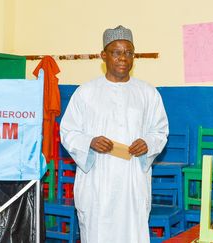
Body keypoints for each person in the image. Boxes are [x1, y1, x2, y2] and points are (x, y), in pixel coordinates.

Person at [60, 25, 169, 243]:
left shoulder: (148, 93)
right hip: (98, 181)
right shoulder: (86, 92)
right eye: (116, 52)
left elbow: (160, 130)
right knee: (98, 232)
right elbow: (68, 131)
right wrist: (89, 141)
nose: (123, 58)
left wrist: (147, 143)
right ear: (103, 55)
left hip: (132, 180)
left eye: (129, 53)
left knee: (133, 234)